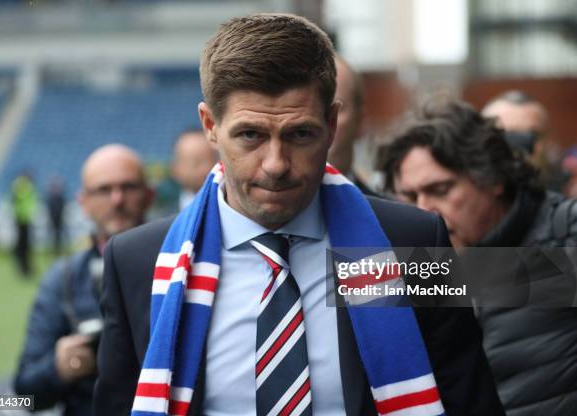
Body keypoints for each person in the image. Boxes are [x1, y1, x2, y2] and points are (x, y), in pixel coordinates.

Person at [94, 14, 503, 416]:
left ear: (331, 123)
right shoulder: (136, 262)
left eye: (299, 134)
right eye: (251, 135)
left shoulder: (412, 243)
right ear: (210, 126)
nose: (276, 164)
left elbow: (470, 402)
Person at [382, 99, 577, 415]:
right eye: (409, 196)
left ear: (493, 178)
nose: (422, 211)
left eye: (441, 189)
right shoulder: (415, 265)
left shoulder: (567, 230)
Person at [14, 144, 155, 416]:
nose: (117, 199)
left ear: (149, 195)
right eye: (103, 189)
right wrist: (59, 368)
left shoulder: (185, 266)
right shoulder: (62, 279)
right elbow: (25, 395)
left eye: (128, 187)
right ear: (83, 203)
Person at [171, 129, 218, 210]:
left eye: (212, 160)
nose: (206, 169)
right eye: (196, 163)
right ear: (175, 169)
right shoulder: (161, 218)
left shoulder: (233, 213)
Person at [11, 171, 38, 276]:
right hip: (20, 219)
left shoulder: (26, 187)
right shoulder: (21, 187)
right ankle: (23, 268)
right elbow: (18, 200)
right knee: (22, 245)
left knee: (26, 245)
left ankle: (27, 268)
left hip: (26, 219)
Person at [46, 176, 67, 255]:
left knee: (59, 236)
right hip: (53, 219)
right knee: (53, 236)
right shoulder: (52, 198)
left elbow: (62, 207)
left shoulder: (60, 197)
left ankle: (58, 249)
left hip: (59, 219)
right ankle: (53, 250)